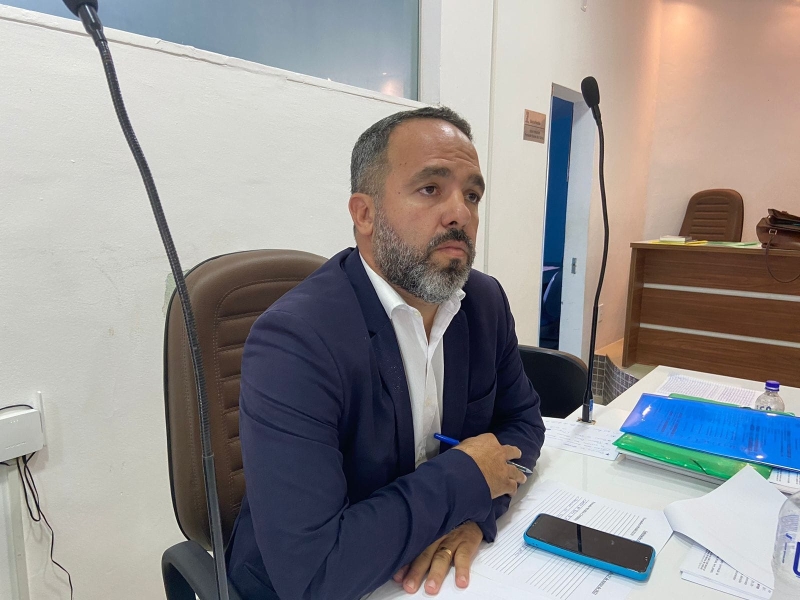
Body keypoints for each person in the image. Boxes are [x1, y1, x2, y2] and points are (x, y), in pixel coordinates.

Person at [225, 106, 546, 600]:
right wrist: (466, 479)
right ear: (364, 214)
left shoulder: (483, 301)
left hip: (431, 573)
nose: (461, 213)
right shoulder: (294, 341)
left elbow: (522, 423)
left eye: (472, 195)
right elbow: (314, 574)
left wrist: (476, 514)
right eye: (431, 188)